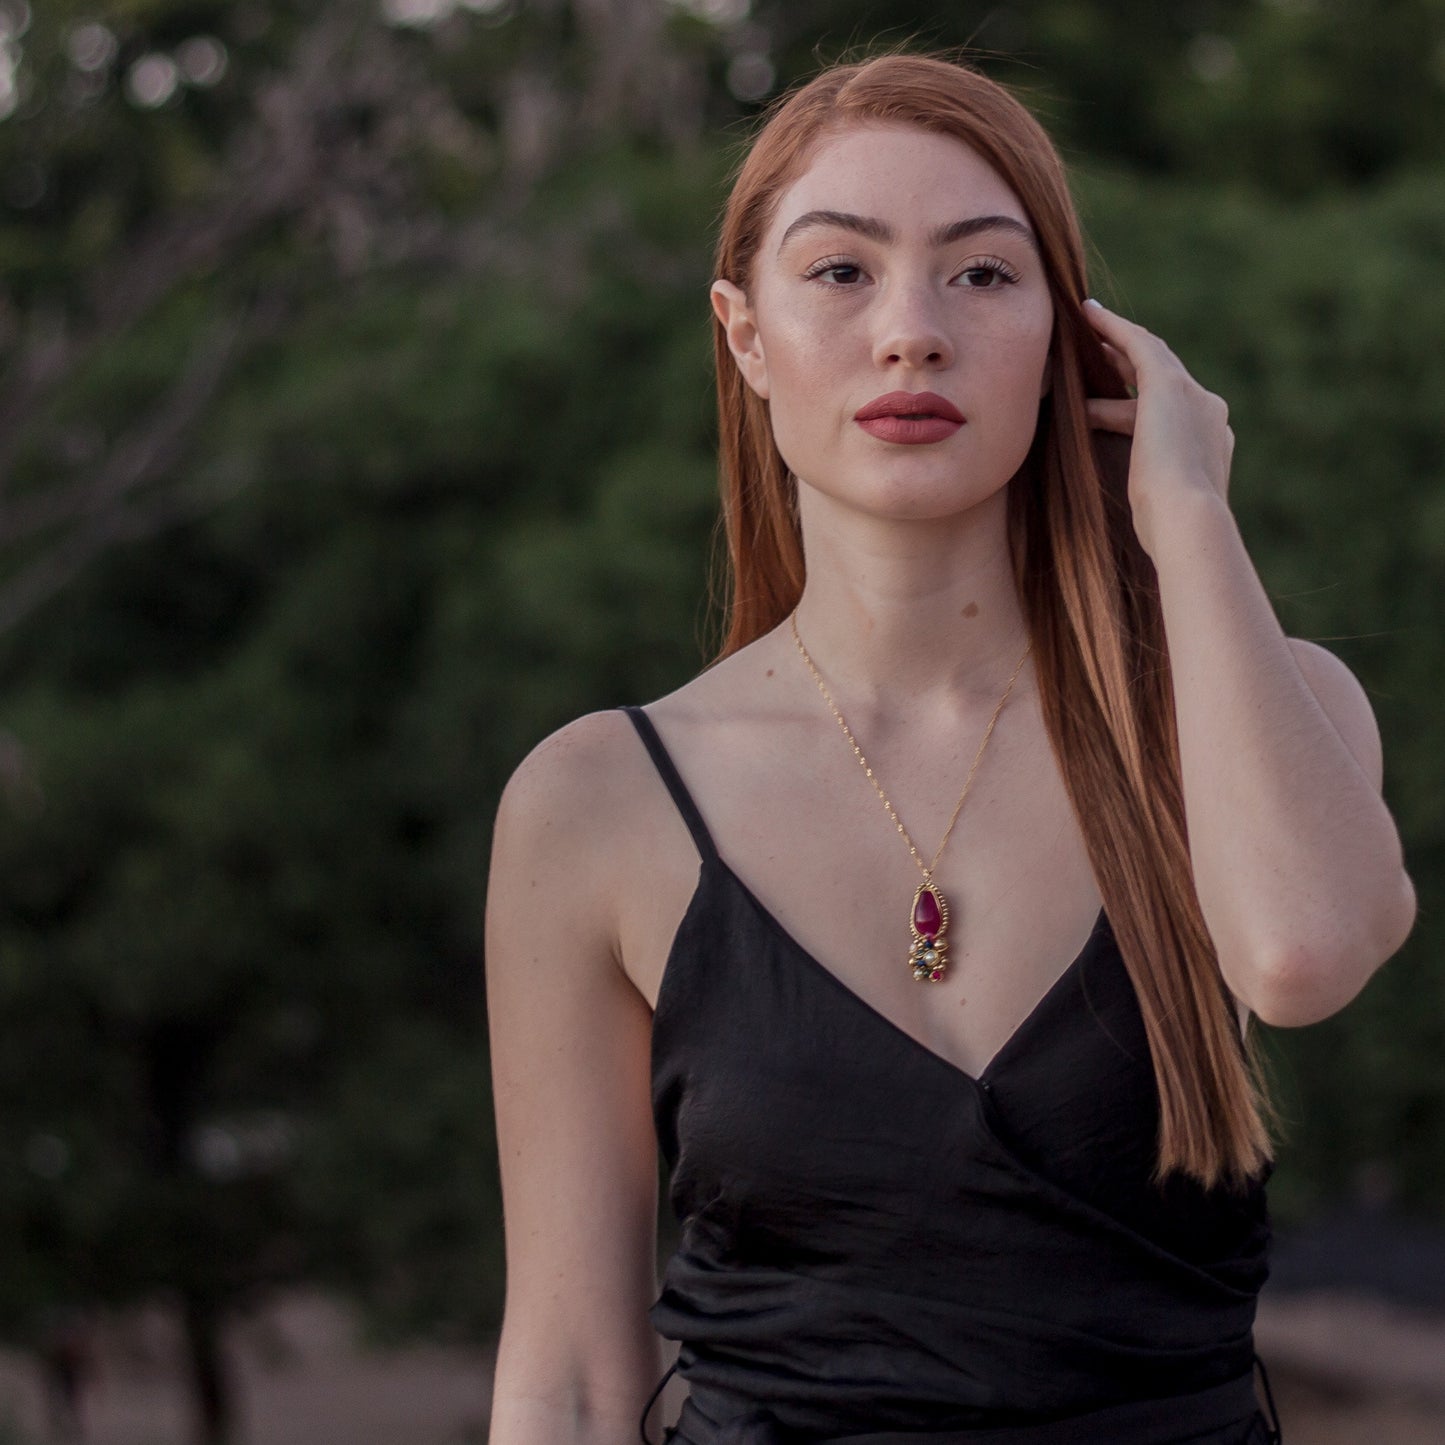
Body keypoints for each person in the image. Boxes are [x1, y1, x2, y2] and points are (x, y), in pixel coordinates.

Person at [483, 51, 1417, 1445]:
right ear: (742, 335)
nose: (910, 330)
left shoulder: (1254, 709)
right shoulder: (598, 799)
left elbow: (1300, 954)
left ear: (1073, 336)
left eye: (981, 274)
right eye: (840, 272)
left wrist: (1184, 514)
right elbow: (563, 1376)